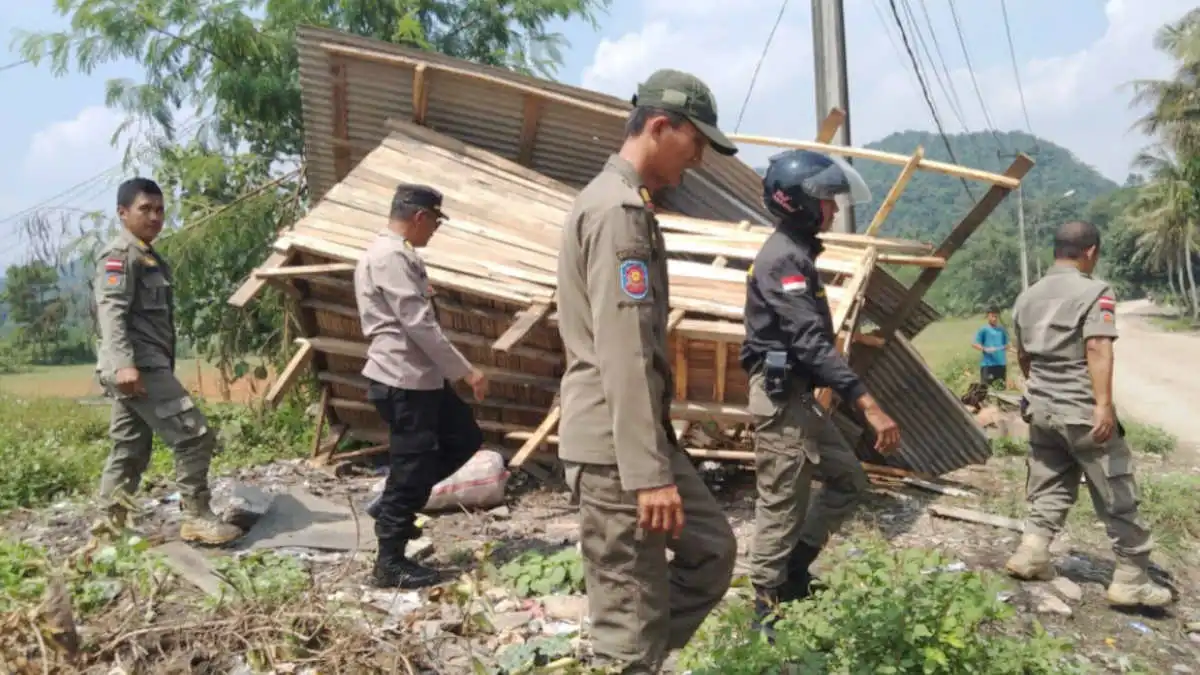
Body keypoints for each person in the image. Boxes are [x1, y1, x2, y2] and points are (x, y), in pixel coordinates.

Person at [555, 68, 740, 674]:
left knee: (710, 550)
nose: (699, 159)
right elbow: (625, 350)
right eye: (697, 142)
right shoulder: (616, 212)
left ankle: (642, 654)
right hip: (616, 449)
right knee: (629, 618)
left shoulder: (623, 204)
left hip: (635, 440)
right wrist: (647, 474)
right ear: (660, 126)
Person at [741, 149, 902, 629]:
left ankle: (793, 572)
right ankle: (764, 608)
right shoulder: (783, 259)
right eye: (826, 200)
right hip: (780, 401)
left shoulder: (798, 254)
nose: (833, 209)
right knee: (781, 503)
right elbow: (810, 343)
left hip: (799, 398)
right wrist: (868, 405)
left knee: (848, 479)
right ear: (796, 202)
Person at [1006, 220, 1172, 608]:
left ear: (1056, 250)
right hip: (1081, 410)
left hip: (1042, 409)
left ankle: (1032, 552)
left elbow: (1024, 355)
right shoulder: (1095, 291)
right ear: (1091, 252)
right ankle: (1132, 577)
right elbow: (1097, 346)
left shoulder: (1027, 296)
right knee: (1117, 489)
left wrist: (1041, 392)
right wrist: (1103, 405)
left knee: (1050, 481)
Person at [354, 184, 490, 589]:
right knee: (411, 467)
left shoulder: (400, 254)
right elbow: (418, 323)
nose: (434, 230)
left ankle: (393, 502)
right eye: (435, 222)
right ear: (420, 217)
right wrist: (466, 371)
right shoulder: (390, 256)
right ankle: (389, 562)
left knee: (464, 437)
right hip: (403, 380)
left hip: (421, 379)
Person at [94, 177, 243, 546]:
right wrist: (124, 364)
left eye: (160, 210)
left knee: (130, 448)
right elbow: (111, 311)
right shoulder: (121, 256)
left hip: (143, 364)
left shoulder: (147, 256)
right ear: (122, 212)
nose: (155, 217)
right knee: (194, 434)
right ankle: (197, 517)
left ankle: (110, 530)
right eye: (145, 209)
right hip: (138, 367)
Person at [973, 309, 1010, 388]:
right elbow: (975, 344)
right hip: (988, 365)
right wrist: (985, 349)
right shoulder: (983, 330)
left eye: (996, 316)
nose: (994, 319)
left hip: (1001, 365)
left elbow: (1007, 345)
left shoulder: (1002, 330)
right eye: (992, 316)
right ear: (988, 316)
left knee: (1000, 388)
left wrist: (1005, 348)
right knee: (985, 389)